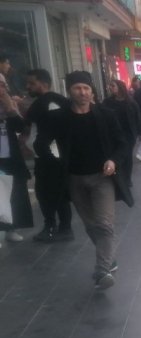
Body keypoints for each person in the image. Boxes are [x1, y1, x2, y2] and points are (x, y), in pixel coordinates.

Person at [35, 71, 133, 289]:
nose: (83, 92)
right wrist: (56, 161)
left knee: (105, 224)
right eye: (78, 88)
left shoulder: (106, 115)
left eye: (86, 88)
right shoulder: (58, 118)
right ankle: (108, 257)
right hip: (74, 180)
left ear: (92, 91)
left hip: (102, 178)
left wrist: (113, 161)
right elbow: (41, 144)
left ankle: (102, 270)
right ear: (69, 90)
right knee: (91, 225)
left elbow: (122, 143)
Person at [24, 68, 73, 242]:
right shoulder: (61, 102)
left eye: (32, 83)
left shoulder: (41, 104)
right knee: (57, 192)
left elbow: (26, 126)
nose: (28, 87)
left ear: (43, 84)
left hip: (48, 157)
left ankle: (53, 226)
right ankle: (63, 227)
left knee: (46, 193)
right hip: (53, 156)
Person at [0, 73, 34, 244]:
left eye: (3, 85)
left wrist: (11, 109)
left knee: (14, 192)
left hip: (10, 157)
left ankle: (12, 228)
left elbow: (21, 128)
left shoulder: (9, 106)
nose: (2, 89)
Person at [102, 79, 141, 189]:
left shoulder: (130, 102)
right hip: (113, 134)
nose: (110, 88)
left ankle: (127, 179)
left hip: (129, 134)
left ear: (120, 87)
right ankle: (118, 178)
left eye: (113, 85)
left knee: (127, 157)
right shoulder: (107, 102)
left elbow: (137, 118)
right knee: (116, 156)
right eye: (110, 86)